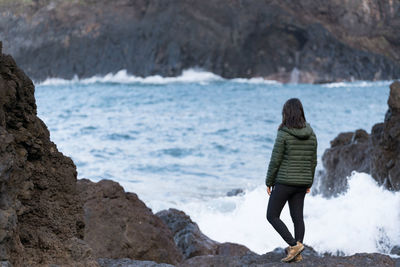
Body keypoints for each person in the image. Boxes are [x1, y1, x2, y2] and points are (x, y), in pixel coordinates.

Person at [265, 98, 317, 263]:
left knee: (272, 215)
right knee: (297, 218)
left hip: (285, 182)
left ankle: (294, 245)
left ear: (286, 113)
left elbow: (275, 160)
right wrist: (309, 182)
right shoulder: (311, 133)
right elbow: (313, 161)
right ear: (301, 112)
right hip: (302, 183)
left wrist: (269, 181)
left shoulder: (284, 133)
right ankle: (298, 254)